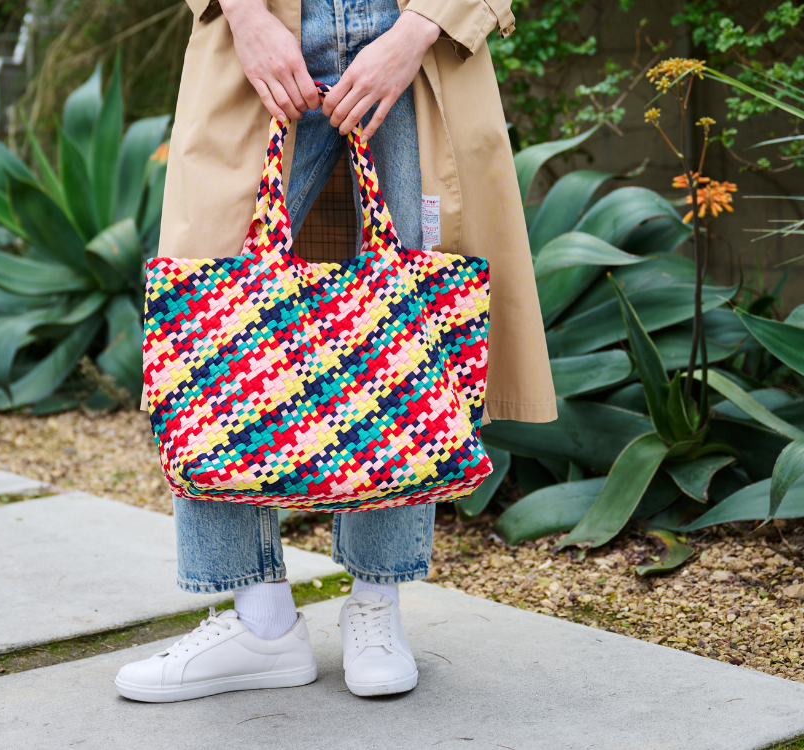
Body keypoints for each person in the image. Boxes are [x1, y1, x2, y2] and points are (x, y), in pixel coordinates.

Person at [119, 0, 556, 702]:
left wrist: (416, 32)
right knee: (215, 330)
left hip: (416, 37)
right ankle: (258, 624)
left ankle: (377, 609)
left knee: (409, 331)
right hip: (256, 30)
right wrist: (245, 18)